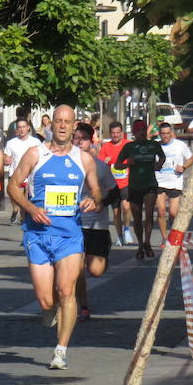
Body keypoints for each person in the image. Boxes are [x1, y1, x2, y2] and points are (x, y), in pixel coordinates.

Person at [7, 105, 101, 370]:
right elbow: (12, 186)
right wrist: (31, 209)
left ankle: (61, 350)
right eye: (58, 121)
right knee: (47, 300)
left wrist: (92, 200)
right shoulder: (36, 154)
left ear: (74, 127)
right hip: (37, 235)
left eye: (67, 122)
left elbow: (98, 192)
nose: (62, 125)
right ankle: (52, 309)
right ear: (51, 126)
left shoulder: (84, 159)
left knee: (66, 291)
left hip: (69, 236)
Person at [72, 123, 119, 322]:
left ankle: (105, 251)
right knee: (77, 269)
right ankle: (83, 306)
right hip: (73, 223)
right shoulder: (66, 163)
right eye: (75, 138)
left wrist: (102, 203)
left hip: (97, 225)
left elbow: (115, 191)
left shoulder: (100, 166)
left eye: (82, 138)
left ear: (91, 141)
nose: (78, 141)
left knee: (96, 270)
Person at [114, 119, 166, 259]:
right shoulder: (129, 147)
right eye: (139, 130)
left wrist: (159, 165)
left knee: (149, 214)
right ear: (134, 133)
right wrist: (127, 164)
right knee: (137, 218)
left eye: (143, 129)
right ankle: (140, 245)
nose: (142, 132)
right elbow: (117, 165)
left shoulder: (153, 145)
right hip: (134, 186)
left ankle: (147, 242)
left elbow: (162, 156)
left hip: (150, 185)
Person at [154, 122, 193, 246]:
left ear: (171, 133)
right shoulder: (156, 146)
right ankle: (164, 238)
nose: (165, 136)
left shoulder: (179, 145)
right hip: (159, 181)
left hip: (175, 182)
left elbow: (191, 158)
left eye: (167, 134)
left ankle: (173, 233)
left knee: (173, 213)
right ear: (159, 134)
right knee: (160, 211)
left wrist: (184, 167)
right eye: (163, 134)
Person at [98, 121, 133, 246]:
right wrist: (105, 161)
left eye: (118, 133)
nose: (115, 135)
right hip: (112, 184)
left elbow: (135, 159)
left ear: (122, 133)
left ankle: (127, 229)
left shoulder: (128, 145)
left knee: (127, 207)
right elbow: (99, 164)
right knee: (116, 214)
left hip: (126, 182)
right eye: (113, 133)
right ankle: (119, 237)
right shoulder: (106, 147)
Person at [4, 118, 42, 224]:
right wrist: (6, 160)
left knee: (25, 201)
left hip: (31, 175)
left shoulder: (35, 142)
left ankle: (23, 220)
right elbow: (6, 156)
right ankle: (15, 210)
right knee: (17, 198)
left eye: (23, 127)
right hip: (16, 174)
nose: (21, 129)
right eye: (19, 127)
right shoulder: (11, 143)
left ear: (28, 128)